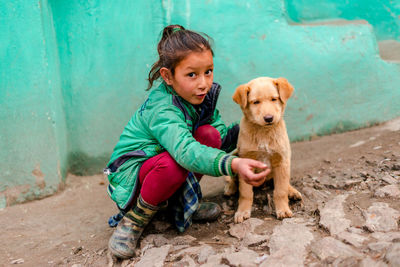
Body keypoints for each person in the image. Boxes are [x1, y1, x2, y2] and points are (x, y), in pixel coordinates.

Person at [105, 24, 270, 259]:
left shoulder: (199, 96)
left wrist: (247, 129)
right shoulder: (162, 109)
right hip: (133, 176)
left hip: (166, 161)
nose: (203, 83)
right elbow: (186, 152)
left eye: (209, 71)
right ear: (167, 76)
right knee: (172, 165)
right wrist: (233, 164)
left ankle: (178, 204)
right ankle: (134, 220)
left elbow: (217, 134)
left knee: (210, 135)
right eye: (192, 74)